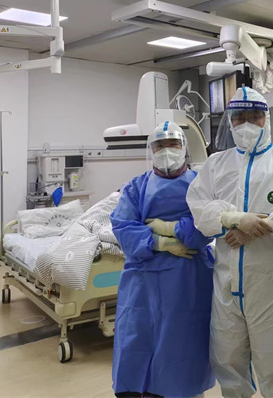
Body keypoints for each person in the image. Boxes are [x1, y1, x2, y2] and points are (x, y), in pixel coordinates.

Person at [186, 86, 273, 398]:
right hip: (226, 283)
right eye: (239, 118)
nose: (246, 124)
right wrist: (233, 218)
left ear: (266, 120)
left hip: (272, 283)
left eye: (254, 117)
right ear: (231, 122)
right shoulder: (216, 164)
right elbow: (199, 209)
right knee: (227, 358)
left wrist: (255, 227)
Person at [111, 121, 215, 398]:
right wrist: (161, 242)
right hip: (143, 277)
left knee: (183, 341)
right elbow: (123, 226)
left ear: (183, 148)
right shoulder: (136, 187)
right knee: (137, 335)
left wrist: (166, 227)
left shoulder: (200, 185)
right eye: (159, 145)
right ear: (151, 150)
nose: (166, 151)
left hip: (189, 277)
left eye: (173, 144)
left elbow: (205, 227)